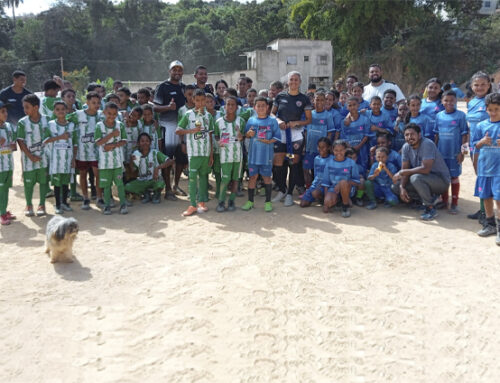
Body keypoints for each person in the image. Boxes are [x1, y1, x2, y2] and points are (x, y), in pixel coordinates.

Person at [391, 123, 451, 221]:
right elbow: (405, 168)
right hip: (424, 179)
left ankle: (430, 208)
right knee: (396, 187)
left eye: (412, 134)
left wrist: (402, 172)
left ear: (419, 135)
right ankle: (423, 200)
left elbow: (425, 169)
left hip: (440, 181)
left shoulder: (427, 144)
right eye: (406, 135)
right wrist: (402, 187)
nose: (409, 137)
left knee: (415, 178)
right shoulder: (406, 147)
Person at [271, 71, 312, 206]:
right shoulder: (280, 96)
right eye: (291, 80)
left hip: (295, 135)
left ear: (300, 82)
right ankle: (282, 189)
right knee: (278, 162)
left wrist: (297, 123)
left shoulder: (304, 99)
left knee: (293, 163)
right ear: (287, 82)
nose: (293, 82)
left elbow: (308, 120)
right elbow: (272, 113)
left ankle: (289, 194)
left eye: (296, 80)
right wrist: (278, 121)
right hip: (281, 132)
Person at [176, 89, 214, 216]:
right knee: (192, 179)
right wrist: (191, 131)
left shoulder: (208, 116)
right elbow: (178, 130)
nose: (200, 103)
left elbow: (210, 136)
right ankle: (192, 204)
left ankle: (201, 203)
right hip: (194, 153)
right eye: (197, 100)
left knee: (204, 178)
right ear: (193, 100)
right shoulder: (188, 114)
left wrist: (211, 154)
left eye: (203, 100)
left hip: (205, 152)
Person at [153, 60, 187, 200]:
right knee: (168, 159)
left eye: (180, 70)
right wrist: (167, 107)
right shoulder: (162, 87)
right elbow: (154, 107)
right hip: (167, 128)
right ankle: (167, 190)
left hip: (182, 129)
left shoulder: (184, 88)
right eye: (174, 70)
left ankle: (175, 185)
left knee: (181, 159)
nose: (177, 72)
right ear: (169, 71)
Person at [241, 97, 281, 212]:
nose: (261, 108)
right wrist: (248, 134)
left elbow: (277, 136)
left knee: (267, 178)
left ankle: (268, 202)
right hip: (253, 155)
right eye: (258, 106)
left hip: (266, 155)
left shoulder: (272, 121)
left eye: (263, 105)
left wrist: (269, 141)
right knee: (252, 177)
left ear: (267, 107)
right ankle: (250, 201)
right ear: (254, 107)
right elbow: (247, 135)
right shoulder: (251, 120)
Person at [472, 92, 500, 245]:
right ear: (486, 109)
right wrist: (482, 141)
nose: (493, 112)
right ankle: (490, 225)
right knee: (487, 197)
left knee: (499, 199)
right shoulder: (481, 125)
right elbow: (475, 145)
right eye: (490, 109)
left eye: (497, 109)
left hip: (499, 171)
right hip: (485, 169)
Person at [68, 92, 104, 209]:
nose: (96, 105)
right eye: (93, 102)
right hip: (82, 152)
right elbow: (65, 120)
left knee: (98, 174)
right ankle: (85, 198)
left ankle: (99, 197)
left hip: (97, 152)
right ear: (87, 102)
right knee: (83, 174)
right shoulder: (78, 115)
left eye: (98, 103)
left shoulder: (101, 115)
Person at [434, 90, 468, 214]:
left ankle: (454, 203)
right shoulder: (439, 116)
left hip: (454, 153)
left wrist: (463, 152)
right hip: (441, 153)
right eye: (446, 100)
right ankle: (444, 201)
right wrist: (435, 151)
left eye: (452, 100)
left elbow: (465, 134)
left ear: (456, 101)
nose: (449, 103)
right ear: (442, 102)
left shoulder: (461, 116)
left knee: (454, 177)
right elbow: (436, 135)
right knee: (443, 177)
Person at [16, 94, 51, 217]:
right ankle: (29, 204)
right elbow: (20, 141)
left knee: (43, 182)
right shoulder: (22, 122)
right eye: (24, 107)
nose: (25, 110)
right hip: (28, 159)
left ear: (36, 107)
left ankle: (42, 204)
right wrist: (30, 156)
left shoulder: (47, 120)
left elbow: (50, 138)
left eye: (27, 107)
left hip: (43, 159)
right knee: (29, 183)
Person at [466, 72, 492, 223]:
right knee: (480, 177)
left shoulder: (492, 101)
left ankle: (488, 214)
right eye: (476, 85)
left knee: (488, 178)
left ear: (489, 85)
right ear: (471, 86)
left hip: (489, 146)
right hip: (474, 146)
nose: (480, 87)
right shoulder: (471, 103)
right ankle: (483, 209)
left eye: (483, 84)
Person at [94, 102, 128, 215]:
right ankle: (107, 205)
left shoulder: (120, 125)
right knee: (106, 186)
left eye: (114, 114)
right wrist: (112, 135)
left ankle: (123, 204)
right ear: (104, 113)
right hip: (104, 163)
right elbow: (98, 142)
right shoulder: (99, 126)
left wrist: (112, 145)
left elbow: (124, 141)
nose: (112, 116)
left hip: (117, 162)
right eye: (109, 113)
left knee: (119, 184)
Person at [43, 101, 76, 214]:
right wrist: (60, 137)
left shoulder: (71, 125)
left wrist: (73, 159)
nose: (60, 111)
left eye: (63, 109)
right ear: (54, 111)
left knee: (65, 183)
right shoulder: (51, 124)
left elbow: (75, 144)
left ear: (67, 110)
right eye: (57, 109)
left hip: (67, 159)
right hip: (56, 160)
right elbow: (45, 141)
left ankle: (65, 203)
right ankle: (57, 205)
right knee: (57, 184)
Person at [214, 97, 245, 212]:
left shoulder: (240, 121)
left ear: (237, 107)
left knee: (236, 179)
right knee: (225, 179)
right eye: (228, 104)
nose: (231, 107)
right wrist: (219, 141)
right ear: (224, 106)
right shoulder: (219, 122)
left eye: (233, 105)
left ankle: (232, 200)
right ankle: (221, 201)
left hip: (238, 155)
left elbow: (244, 136)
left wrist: (242, 137)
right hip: (225, 156)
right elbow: (217, 135)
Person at [126, 133, 174, 204]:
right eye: (142, 141)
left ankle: (156, 194)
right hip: (143, 180)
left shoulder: (155, 153)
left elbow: (170, 161)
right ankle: (146, 194)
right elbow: (133, 171)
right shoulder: (136, 154)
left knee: (160, 183)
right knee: (128, 187)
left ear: (150, 143)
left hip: (154, 179)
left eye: (147, 141)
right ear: (138, 143)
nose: (145, 143)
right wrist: (131, 161)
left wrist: (157, 168)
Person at [302, 91, 335, 188]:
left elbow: (330, 132)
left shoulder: (328, 115)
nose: (319, 102)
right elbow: (305, 131)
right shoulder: (309, 114)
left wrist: (326, 147)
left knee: (320, 171)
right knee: (305, 169)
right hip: (309, 148)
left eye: (322, 100)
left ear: (325, 101)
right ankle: (308, 188)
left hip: (322, 150)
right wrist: (304, 146)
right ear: (313, 100)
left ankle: (319, 189)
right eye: (317, 99)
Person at [321, 139, 360, 218]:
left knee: (343, 183)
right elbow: (326, 182)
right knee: (328, 202)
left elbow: (356, 181)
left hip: (348, 188)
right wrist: (325, 201)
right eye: (336, 150)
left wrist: (342, 184)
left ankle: (345, 207)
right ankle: (339, 200)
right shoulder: (329, 163)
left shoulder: (351, 163)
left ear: (345, 150)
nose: (339, 153)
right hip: (333, 189)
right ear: (332, 150)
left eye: (341, 150)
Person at [338, 97, 371, 171]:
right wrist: (350, 147)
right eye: (350, 105)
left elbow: (366, 135)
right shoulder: (344, 122)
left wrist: (359, 146)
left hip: (362, 149)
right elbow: (343, 137)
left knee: (362, 169)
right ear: (347, 107)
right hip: (349, 150)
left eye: (354, 105)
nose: (352, 107)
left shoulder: (365, 119)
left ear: (358, 105)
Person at [300, 137, 332, 208]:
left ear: (329, 147)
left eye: (323, 147)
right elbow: (316, 174)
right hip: (316, 184)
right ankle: (317, 197)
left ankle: (323, 199)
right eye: (319, 147)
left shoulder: (332, 159)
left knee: (315, 193)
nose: (321, 149)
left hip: (326, 185)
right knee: (303, 204)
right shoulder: (316, 158)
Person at [0, 101, 16, 225]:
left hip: (9, 163)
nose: (5, 114)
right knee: (1, 190)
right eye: (2, 111)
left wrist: (12, 145)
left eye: (6, 111)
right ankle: (2, 214)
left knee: (6, 189)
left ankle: (4, 210)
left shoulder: (9, 126)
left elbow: (13, 146)